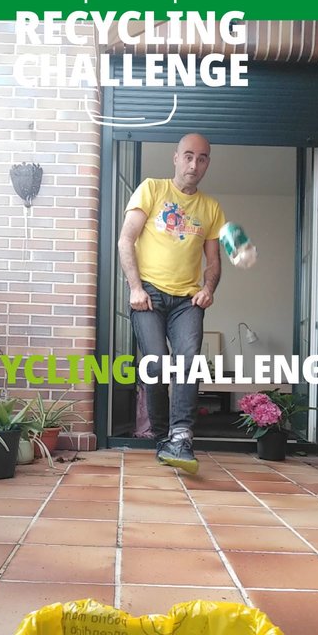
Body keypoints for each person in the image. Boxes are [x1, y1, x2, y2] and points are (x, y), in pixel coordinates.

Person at [118, 133, 225, 474]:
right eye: (188, 156)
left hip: (186, 301)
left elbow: (214, 262)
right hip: (148, 293)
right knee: (156, 364)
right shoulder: (152, 189)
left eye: (202, 158)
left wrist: (208, 289)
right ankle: (163, 435)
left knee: (189, 361)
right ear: (176, 158)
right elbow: (126, 239)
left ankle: (180, 436)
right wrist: (135, 288)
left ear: (207, 164)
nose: (194, 164)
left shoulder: (211, 208)